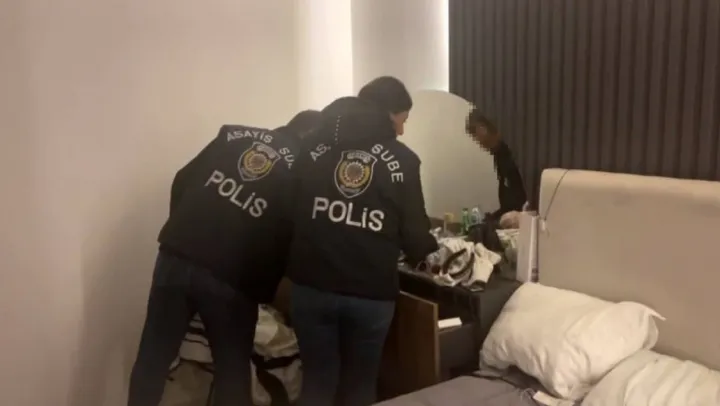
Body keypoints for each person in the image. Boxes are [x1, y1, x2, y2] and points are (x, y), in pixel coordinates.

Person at [127, 111, 321, 406]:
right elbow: (293, 234)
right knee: (232, 370)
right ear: (311, 138)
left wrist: (185, 231)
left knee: (153, 357)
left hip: (178, 254)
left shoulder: (233, 135)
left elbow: (182, 179)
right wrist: (266, 280)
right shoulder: (302, 168)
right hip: (233, 275)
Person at [286, 77, 439, 406]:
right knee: (360, 386)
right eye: (402, 120)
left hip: (311, 286)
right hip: (369, 293)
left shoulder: (313, 148)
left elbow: (289, 209)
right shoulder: (402, 161)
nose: (402, 131)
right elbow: (415, 236)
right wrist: (427, 250)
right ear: (387, 113)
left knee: (316, 383)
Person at [465, 109, 527, 221]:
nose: (479, 143)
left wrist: (520, 216)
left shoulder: (513, 153)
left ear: (483, 128)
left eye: (476, 136)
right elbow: (508, 203)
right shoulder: (499, 154)